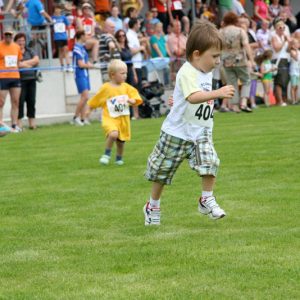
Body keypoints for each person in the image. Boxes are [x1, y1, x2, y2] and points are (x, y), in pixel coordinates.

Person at [143, 20, 235, 226]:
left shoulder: (206, 71)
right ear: (196, 54)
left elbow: (188, 96)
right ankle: (152, 205)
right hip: (177, 132)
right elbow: (193, 96)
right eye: (214, 56)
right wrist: (218, 93)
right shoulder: (187, 71)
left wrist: (178, 99)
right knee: (162, 173)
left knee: (210, 162)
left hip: (200, 130)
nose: (217, 61)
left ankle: (206, 199)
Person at [87, 59, 143, 166]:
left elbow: (135, 97)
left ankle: (119, 159)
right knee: (113, 134)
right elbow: (97, 99)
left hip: (123, 119)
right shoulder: (106, 88)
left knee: (121, 142)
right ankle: (106, 154)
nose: (125, 75)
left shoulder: (127, 87)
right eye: (122, 73)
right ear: (112, 75)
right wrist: (89, 109)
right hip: (110, 118)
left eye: (126, 73)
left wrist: (133, 101)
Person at [220, 12, 254, 113]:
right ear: (236, 20)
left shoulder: (220, 32)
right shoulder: (240, 31)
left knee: (232, 83)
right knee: (246, 80)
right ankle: (243, 102)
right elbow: (246, 45)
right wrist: (251, 60)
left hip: (226, 61)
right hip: (240, 60)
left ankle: (235, 106)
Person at [14, 32, 40, 129]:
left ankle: (32, 124)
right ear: (15, 42)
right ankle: (19, 124)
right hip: (20, 80)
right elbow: (17, 64)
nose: (21, 42)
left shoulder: (30, 50)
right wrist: (30, 64)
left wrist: (23, 63)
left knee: (31, 101)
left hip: (31, 79)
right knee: (20, 102)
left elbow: (36, 60)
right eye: (19, 41)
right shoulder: (15, 51)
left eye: (23, 40)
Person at [0, 27, 23, 133]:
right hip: (3, 77)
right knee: (1, 102)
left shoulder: (16, 47)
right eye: (6, 35)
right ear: (3, 35)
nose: (8, 37)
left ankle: (14, 124)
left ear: (12, 36)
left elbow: (18, 62)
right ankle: (1, 123)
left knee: (15, 101)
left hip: (14, 76)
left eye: (10, 35)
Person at [72, 30, 94, 126]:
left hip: (85, 74)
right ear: (81, 36)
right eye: (85, 35)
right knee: (85, 96)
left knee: (84, 98)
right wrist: (89, 66)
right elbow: (80, 64)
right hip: (80, 74)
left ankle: (83, 118)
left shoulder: (82, 48)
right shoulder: (77, 48)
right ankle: (75, 117)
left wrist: (89, 64)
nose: (87, 37)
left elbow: (85, 62)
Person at [271, 17, 291, 106]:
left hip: (286, 59)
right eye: (280, 27)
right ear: (276, 28)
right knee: (279, 81)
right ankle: (279, 101)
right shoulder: (273, 36)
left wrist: (289, 43)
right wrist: (284, 41)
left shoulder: (285, 36)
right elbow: (277, 48)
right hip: (277, 60)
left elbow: (288, 50)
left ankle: (284, 99)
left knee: (285, 80)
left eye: (283, 27)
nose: (282, 29)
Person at [52, 4, 71, 70]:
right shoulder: (53, 18)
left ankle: (68, 65)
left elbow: (68, 26)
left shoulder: (63, 17)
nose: (57, 10)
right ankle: (62, 65)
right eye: (56, 9)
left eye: (58, 9)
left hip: (64, 36)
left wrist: (68, 35)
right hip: (57, 37)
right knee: (60, 51)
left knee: (66, 50)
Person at [289, 38, 300, 105]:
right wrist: (296, 50)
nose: (297, 44)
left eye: (297, 43)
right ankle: (293, 100)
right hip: (293, 71)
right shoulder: (292, 51)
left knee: (297, 86)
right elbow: (295, 58)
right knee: (293, 86)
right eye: (295, 43)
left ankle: (296, 99)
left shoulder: (299, 51)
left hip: (298, 70)